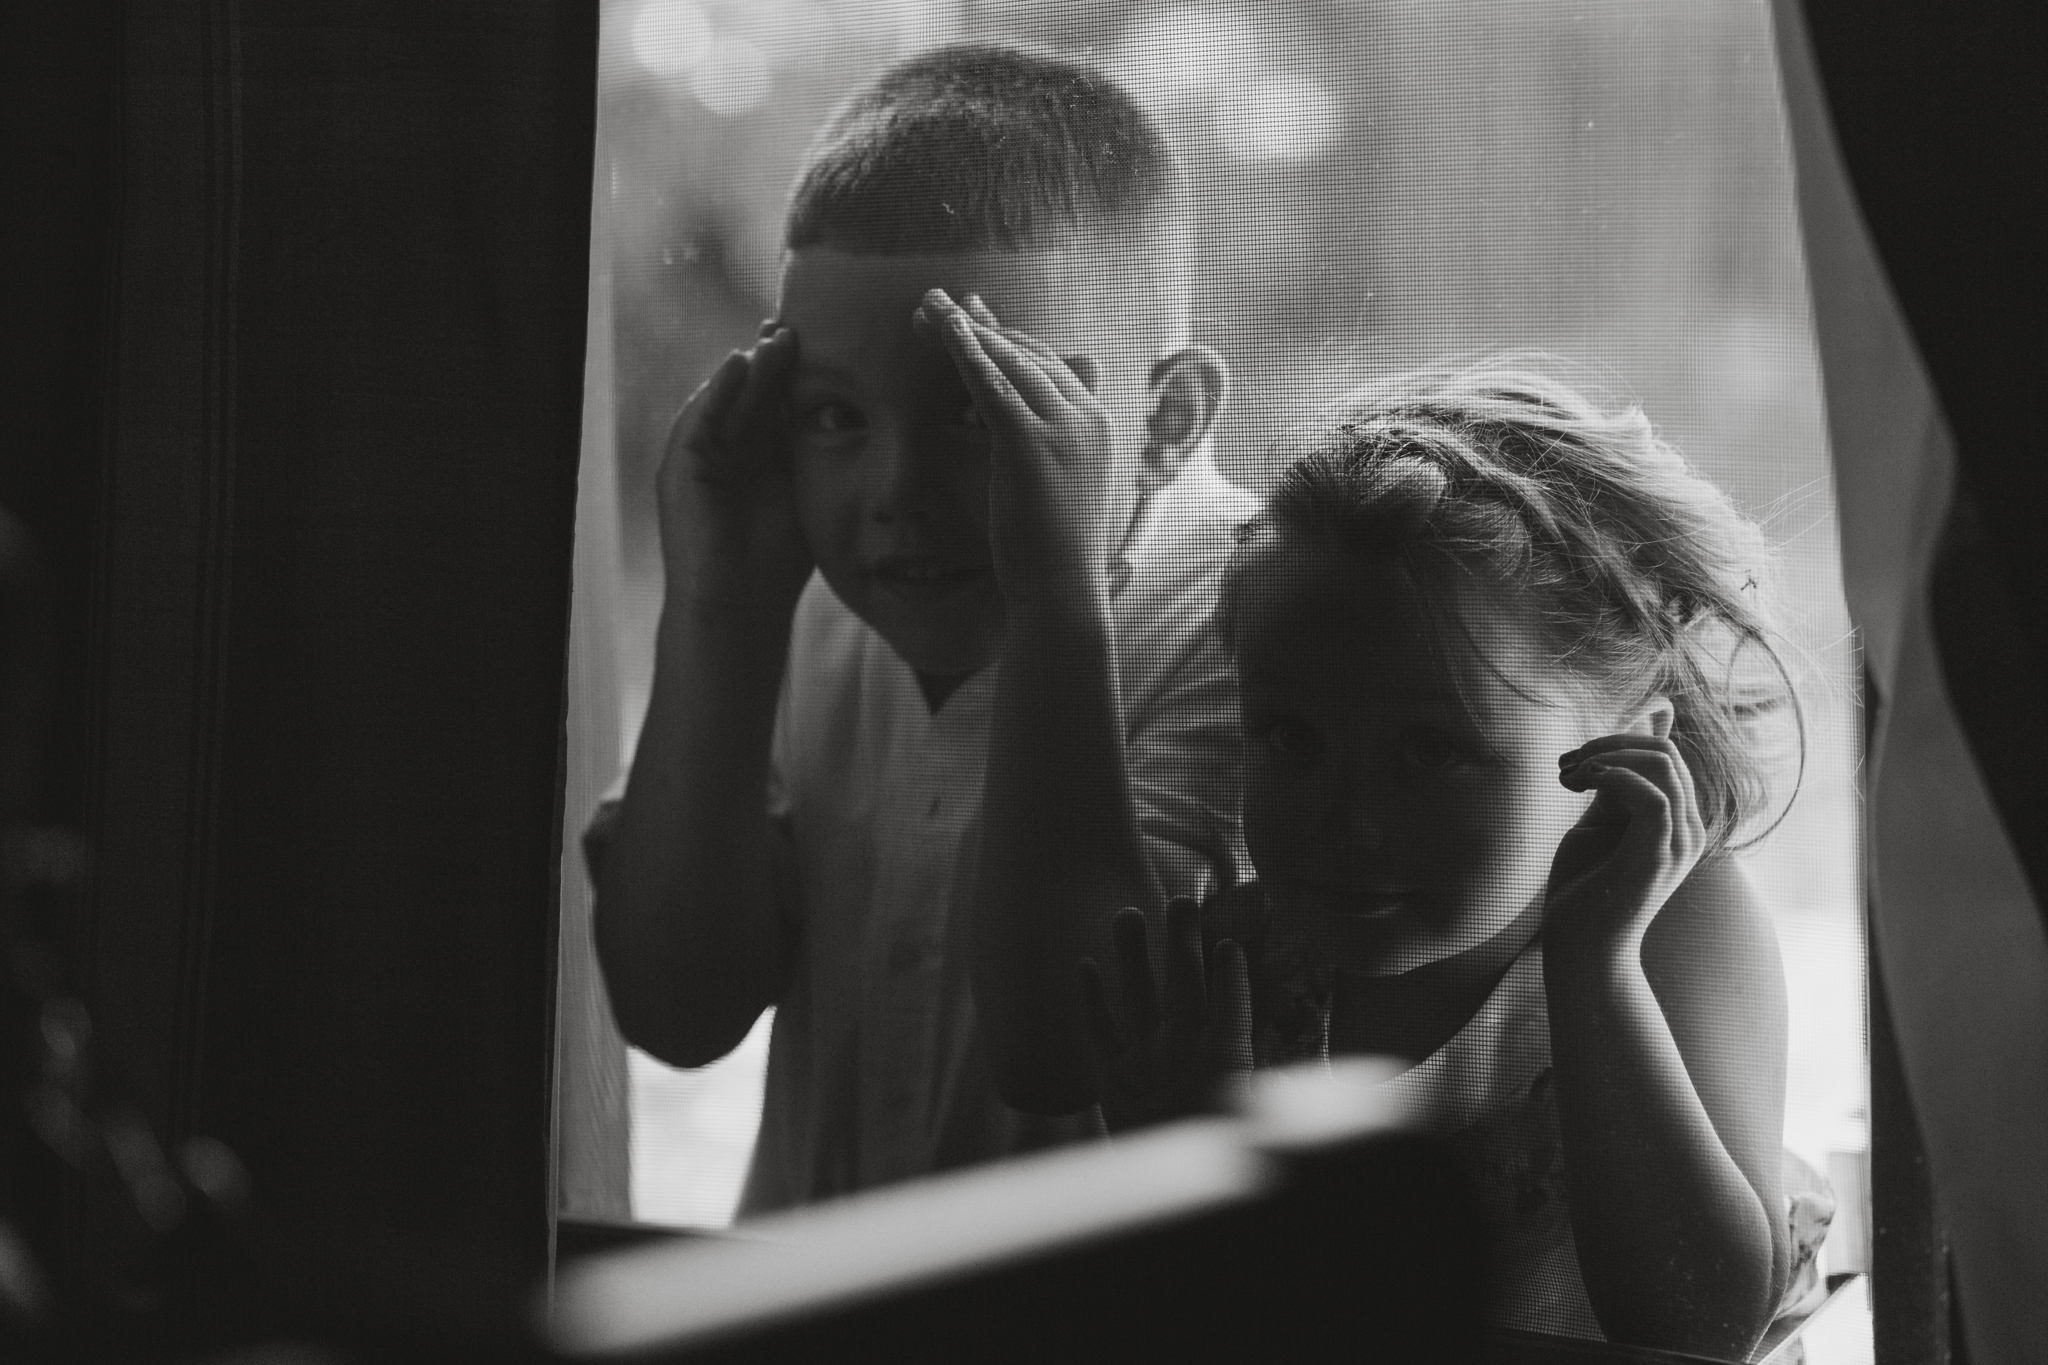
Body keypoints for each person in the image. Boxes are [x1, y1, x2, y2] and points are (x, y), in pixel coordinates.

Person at [590, 42, 1254, 1215]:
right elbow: (675, 1009)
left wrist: (1055, 591)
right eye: (834, 416)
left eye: (983, 406)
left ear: (1165, 422)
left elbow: (1062, 1047)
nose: (897, 488)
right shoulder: (814, 614)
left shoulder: (1254, 630)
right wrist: (720, 609)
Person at [1083, 364, 1801, 1358]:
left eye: (1429, 753)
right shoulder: (1236, 981)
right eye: (1291, 739)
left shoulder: (1674, 927)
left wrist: (1594, 967)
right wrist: (1186, 1146)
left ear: (1622, 750)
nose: (1344, 821)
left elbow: (1701, 1329)